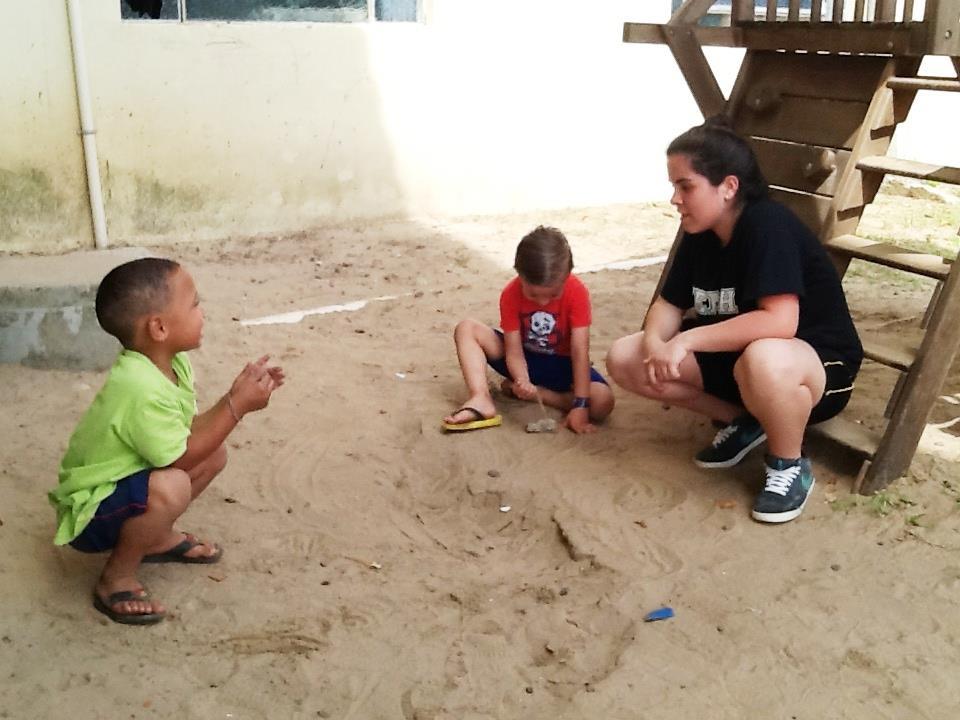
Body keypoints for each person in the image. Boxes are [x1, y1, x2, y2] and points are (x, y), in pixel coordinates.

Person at [605, 117, 862, 523]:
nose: (675, 198)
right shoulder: (699, 233)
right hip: (743, 362)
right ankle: (746, 422)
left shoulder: (767, 226)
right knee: (626, 356)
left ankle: (788, 466)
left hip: (812, 368)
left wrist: (687, 342)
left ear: (728, 186)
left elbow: (780, 323)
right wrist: (656, 345)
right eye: (674, 186)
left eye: (685, 186)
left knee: (762, 359)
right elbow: (668, 305)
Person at [49, 258, 284, 624]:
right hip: (90, 512)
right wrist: (236, 407)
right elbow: (179, 456)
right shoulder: (138, 388)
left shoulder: (171, 364)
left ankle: (155, 538)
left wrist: (233, 397)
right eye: (194, 303)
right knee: (172, 485)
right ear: (159, 327)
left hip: (125, 485)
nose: (202, 312)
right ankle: (116, 579)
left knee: (215, 454)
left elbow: (189, 432)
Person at [443, 225, 615, 434]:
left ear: (567, 276)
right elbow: (513, 349)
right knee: (467, 328)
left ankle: (545, 396)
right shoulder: (511, 293)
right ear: (520, 276)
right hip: (523, 359)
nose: (542, 301)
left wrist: (580, 404)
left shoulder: (577, 292)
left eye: (553, 295)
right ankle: (480, 397)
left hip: (562, 365)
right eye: (533, 295)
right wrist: (521, 380)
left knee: (602, 402)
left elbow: (580, 351)